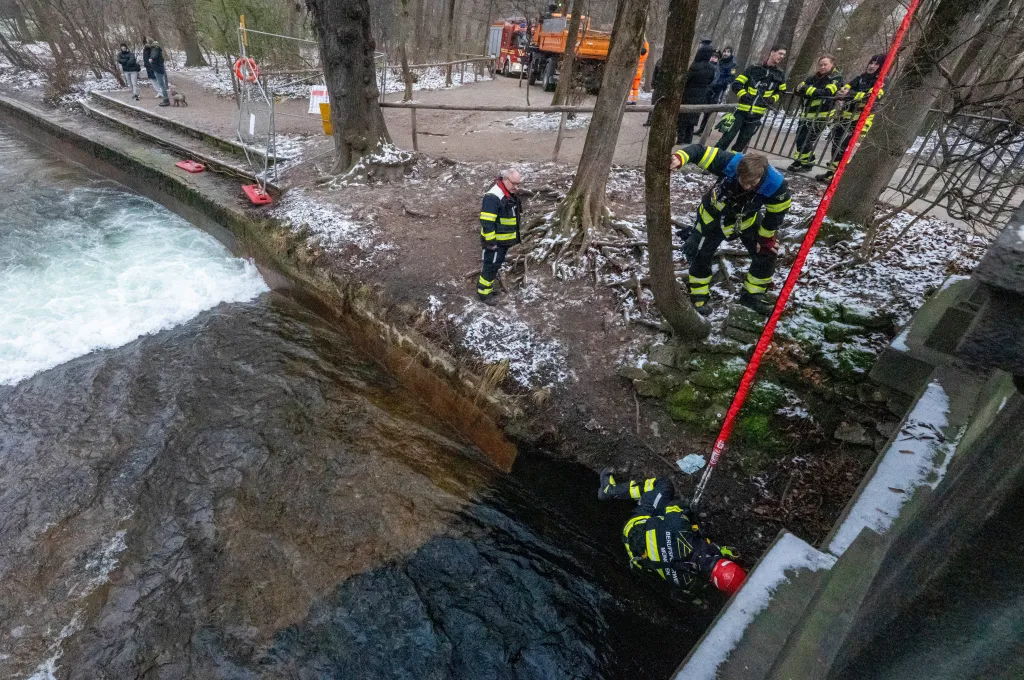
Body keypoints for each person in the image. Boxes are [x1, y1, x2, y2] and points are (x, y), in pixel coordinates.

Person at [671, 144, 792, 315]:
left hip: (746, 220)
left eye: (753, 183)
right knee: (701, 254)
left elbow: (776, 213)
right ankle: (698, 296)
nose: (747, 187)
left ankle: (752, 295)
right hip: (712, 217)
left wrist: (765, 239)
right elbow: (699, 152)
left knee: (767, 253)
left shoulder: (776, 185)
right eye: (744, 181)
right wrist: (680, 157)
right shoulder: (729, 162)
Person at [598, 471, 747, 594]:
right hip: (637, 557)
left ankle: (609, 491)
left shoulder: (681, 529)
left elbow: (673, 509)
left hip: (635, 527)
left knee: (664, 485)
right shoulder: (688, 583)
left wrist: (686, 510)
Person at [817, 54, 887, 183]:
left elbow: (871, 98)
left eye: (876, 64)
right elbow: (845, 89)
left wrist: (850, 94)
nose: (872, 66)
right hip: (845, 117)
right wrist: (846, 93)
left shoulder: (881, 81)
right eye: (871, 63)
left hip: (861, 120)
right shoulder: (860, 78)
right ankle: (832, 172)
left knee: (846, 147)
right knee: (836, 143)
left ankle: (840, 176)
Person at [716, 46, 788, 153]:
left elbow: (782, 91)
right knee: (727, 138)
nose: (782, 56)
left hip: (756, 115)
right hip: (741, 112)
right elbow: (737, 84)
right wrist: (743, 94)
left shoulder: (780, 74)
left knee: (741, 143)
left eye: (783, 55)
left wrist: (773, 98)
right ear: (772, 52)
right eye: (780, 53)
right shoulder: (754, 68)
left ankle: (731, 164)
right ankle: (712, 160)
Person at [788, 55, 843, 172]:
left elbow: (827, 92)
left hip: (821, 116)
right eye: (820, 65)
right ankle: (799, 161)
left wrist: (807, 90)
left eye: (825, 64)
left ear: (832, 64)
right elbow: (798, 89)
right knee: (800, 138)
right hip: (806, 114)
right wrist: (804, 89)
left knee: (807, 140)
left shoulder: (836, 78)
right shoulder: (813, 78)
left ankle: (808, 163)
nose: (822, 67)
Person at [477, 169, 523, 305]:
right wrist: (491, 242)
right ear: (505, 180)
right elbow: (487, 222)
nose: (517, 187)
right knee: (490, 266)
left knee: (495, 265)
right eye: (514, 183)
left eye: (518, 184)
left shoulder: (507, 193)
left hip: (502, 241)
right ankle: (484, 294)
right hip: (495, 243)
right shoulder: (493, 196)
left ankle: (487, 289)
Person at [678, 44, 717, 145]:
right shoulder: (711, 68)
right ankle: (688, 140)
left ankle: (680, 140)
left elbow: (686, 79)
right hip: (701, 95)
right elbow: (711, 80)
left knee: (683, 118)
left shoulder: (695, 66)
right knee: (693, 119)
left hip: (689, 94)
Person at [698, 46, 737, 134]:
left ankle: (706, 130)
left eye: (728, 52)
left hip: (719, 90)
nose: (725, 53)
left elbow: (731, 79)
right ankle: (701, 129)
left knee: (712, 110)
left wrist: (719, 83)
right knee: (706, 108)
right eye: (724, 51)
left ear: (731, 53)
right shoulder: (719, 62)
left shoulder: (732, 65)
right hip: (711, 87)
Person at [148, 40, 170, 106]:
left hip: (158, 69)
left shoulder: (155, 49)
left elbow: (154, 55)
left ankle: (166, 100)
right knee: (162, 84)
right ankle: (166, 99)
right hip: (159, 69)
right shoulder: (158, 49)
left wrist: (151, 59)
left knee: (162, 85)